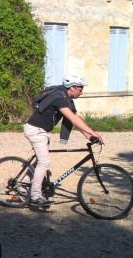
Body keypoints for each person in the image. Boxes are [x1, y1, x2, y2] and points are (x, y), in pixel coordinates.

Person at [23, 73, 104, 208]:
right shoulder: (59, 98)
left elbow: (74, 118)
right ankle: (35, 196)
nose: (81, 93)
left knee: (40, 160)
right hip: (35, 130)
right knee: (44, 162)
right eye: (80, 89)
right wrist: (93, 132)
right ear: (72, 88)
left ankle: (24, 183)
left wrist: (89, 136)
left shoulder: (66, 99)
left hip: (41, 131)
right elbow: (73, 119)